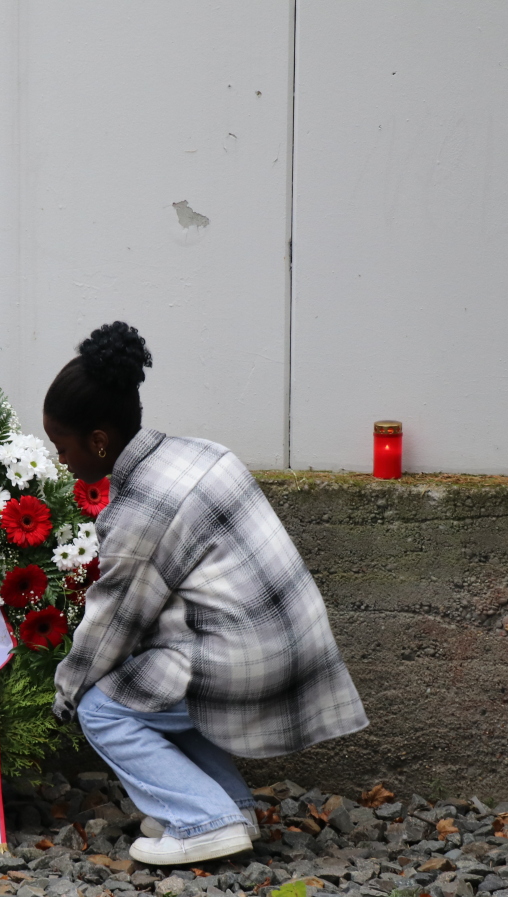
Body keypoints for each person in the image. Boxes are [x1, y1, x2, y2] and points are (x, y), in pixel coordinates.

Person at [42, 322, 368, 866]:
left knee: (104, 708)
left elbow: (111, 625)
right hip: (294, 645)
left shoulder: (140, 509)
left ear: (99, 440)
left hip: (246, 662)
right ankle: (232, 810)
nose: (62, 460)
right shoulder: (201, 453)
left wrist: (66, 694)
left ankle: (202, 821)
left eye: (63, 446)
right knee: (155, 686)